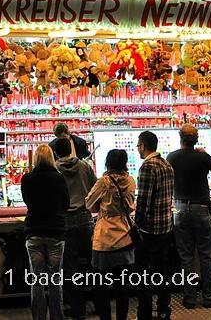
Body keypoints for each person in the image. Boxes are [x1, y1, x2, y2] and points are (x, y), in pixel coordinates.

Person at [166, 123, 211, 309]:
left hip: (180, 209)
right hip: (201, 208)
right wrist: (206, 154)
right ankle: (209, 296)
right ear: (196, 139)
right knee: (206, 256)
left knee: (186, 257)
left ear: (180, 138)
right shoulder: (202, 156)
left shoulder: (171, 157)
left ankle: (189, 298)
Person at [85, 148, 136, 320]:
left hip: (104, 239)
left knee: (100, 286)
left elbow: (89, 204)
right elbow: (130, 206)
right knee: (122, 287)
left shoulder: (104, 182)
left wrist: (102, 207)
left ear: (108, 162)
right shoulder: (130, 180)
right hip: (125, 236)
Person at [21, 144, 70, 320]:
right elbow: (66, 204)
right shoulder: (59, 178)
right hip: (55, 233)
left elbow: (27, 202)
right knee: (55, 280)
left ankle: (39, 317)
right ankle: (57, 316)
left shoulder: (27, 179)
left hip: (34, 233)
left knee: (37, 281)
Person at [54, 137, 97, 320]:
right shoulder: (84, 166)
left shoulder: (54, 170)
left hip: (65, 223)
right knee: (93, 264)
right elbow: (95, 187)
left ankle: (77, 310)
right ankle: (100, 303)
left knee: (70, 269)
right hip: (86, 220)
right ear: (70, 148)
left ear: (55, 152)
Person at [135, 131, 174, 320]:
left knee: (144, 273)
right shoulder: (167, 164)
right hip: (166, 226)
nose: (137, 149)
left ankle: (145, 312)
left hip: (149, 229)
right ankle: (164, 309)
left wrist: (137, 224)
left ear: (143, 146)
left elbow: (143, 201)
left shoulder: (147, 167)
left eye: (138, 145)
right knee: (162, 269)